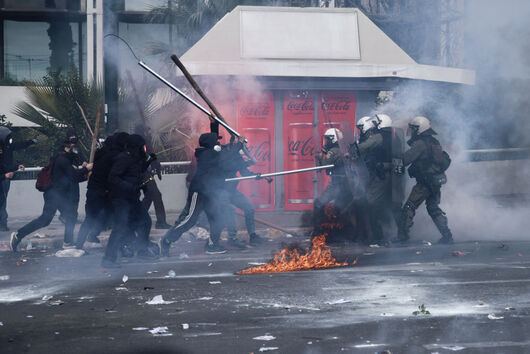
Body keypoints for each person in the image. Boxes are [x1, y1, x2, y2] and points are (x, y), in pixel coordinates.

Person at [160, 122, 230, 257]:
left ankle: (212, 245)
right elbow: (216, 150)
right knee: (189, 220)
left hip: (210, 192)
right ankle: (167, 240)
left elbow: (218, 147)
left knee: (217, 218)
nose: (219, 145)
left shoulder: (210, 152)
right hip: (199, 192)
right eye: (216, 143)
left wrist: (213, 124)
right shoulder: (204, 154)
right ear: (212, 145)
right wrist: (237, 144)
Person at [10, 140, 92, 252]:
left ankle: (68, 242)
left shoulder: (65, 160)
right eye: (72, 148)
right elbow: (73, 176)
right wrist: (86, 169)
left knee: (70, 216)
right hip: (54, 195)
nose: (75, 150)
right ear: (66, 148)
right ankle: (18, 235)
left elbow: (73, 179)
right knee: (47, 219)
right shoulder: (62, 160)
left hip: (59, 195)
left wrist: (86, 175)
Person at [394, 116, 453, 244]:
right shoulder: (434, 142)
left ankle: (402, 237)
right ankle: (447, 235)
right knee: (433, 208)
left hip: (425, 183)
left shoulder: (420, 143)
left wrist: (394, 159)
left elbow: (405, 159)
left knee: (409, 207)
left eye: (414, 129)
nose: (412, 131)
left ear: (420, 129)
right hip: (436, 181)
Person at [102, 134, 155, 267]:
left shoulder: (135, 159)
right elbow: (113, 177)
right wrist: (128, 186)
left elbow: (136, 173)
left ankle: (142, 250)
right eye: (142, 147)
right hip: (121, 200)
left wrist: (149, 161)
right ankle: (108, 259)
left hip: (132, 198)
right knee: (120, 228)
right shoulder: (123, 159)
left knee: (145, 222)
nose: (144, 149)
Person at [75, 132, 129, 249]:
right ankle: (120, 247)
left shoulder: (100, 153)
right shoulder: (115, 156)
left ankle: (80, 244)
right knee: (116, 218)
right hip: (104, 191)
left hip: (94, 190)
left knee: (93, 218)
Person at [219, 136, 266, 248]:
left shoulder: (237, 155)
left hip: (232, 190)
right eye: (237, 143)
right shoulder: (222, 150)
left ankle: (253, 236)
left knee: (249, 208)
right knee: (229, 211)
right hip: (220, 191)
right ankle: (232, 238)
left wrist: (255, 176)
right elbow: (226, 163)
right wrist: (239, 145)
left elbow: (244, 172)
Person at [313, 128, 352, 235]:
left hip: (337, 183)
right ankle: (342, 233)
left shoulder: (333, 151)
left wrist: (321, 156)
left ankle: (317, 231)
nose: (327, 142)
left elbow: (325, 164)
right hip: (346, 183)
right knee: (340, 208)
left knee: (318, 203)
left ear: (333, 139)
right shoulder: (345, 149)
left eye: (328, 139)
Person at [135, 125, 171, 229]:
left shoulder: (142, 143)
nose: (150, 133)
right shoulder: (142, 143)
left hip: (145, 174)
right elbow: (150, 157)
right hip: (144, 174)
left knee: (150, 196)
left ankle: (138, 218)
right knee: (156, 195)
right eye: (148, 131)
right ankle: (160, 222)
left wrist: (156, 168)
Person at [0, 126, 36, 231]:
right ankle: (2, 224)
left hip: (5, 178)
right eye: (7, 136)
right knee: (2, 202)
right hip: (3, 178)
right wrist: (6, 174)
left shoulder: (8, 146)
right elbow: (4, 166)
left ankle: (2, 224)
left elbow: (20, 145)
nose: (10, 138)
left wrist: (31, 142)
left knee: (2, 202)